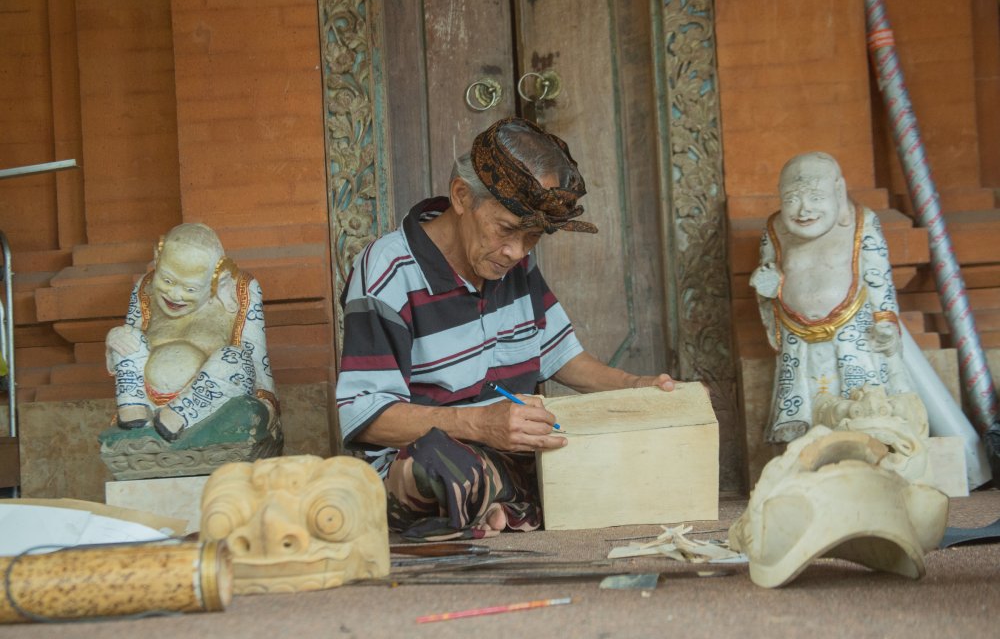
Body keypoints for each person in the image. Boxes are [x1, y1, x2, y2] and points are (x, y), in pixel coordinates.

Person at [336, 117, 674, 541]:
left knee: (589, 444)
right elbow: (365, 416)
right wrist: (480, 424)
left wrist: (638, 387)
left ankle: (495, 506)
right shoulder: (387, 270)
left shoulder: (510, 263)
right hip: (422, 460)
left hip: (504, 452)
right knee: (435, 469)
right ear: (462, 197)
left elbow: (562, 355)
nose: (516, 251)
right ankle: (497, 503)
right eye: (507, 230)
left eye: (532, 238)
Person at [750, 151, 913, 445]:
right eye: (791, 199)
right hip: (797, 339)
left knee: (861, 406)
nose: (803, 209)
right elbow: (768, 276)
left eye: (815, 197)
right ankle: (805, 454)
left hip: (853, 334)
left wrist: (885, 321)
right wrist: (766, 283)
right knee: (803, 411)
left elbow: (879, 279)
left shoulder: (862, 223)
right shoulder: (775, 230)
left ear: (839, 191)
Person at [105, 223, 280, 442]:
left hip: (209, 399)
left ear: (218, 280)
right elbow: (129, 349)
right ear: (157, 260)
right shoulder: (145, 287)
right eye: (167, 280)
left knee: (237, 359)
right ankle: (134, 413)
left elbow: (255, 362)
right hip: (147, 399)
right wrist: (115, 340)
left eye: (190, 289)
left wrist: (266, 408)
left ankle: (178, 417)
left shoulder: (240, 289)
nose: (174, 295)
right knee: (126, 336)